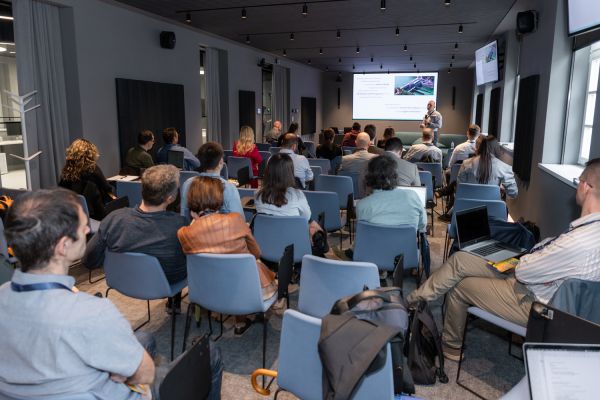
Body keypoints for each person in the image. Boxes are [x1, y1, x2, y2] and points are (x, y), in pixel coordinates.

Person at [0, 188, 223, 399]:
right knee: (210, 353)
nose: (88, 230)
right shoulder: (94, 312)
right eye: (82, 226)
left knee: (144, 338)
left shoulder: (3, 294)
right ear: (63, 246)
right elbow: (145, 374)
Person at [407, 158, 600, 361]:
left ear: (586, 186)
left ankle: (451, 347)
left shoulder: (577, 242)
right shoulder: (590, 231)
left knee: (461, 286)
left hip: (535, 301)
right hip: (537, 281)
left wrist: (524, 260)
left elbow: (525, 272)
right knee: (461, 259)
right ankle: (414, 301)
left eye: (579, 180)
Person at [177, 176, 277, 335]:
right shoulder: (235, 220)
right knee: (252, 266)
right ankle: (241, 320)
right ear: (219, 198)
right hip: (244, 290)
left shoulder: (184, 233)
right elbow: (256, 253)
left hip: (207, 291)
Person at [83, 165, 187, 313]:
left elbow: (89, 259)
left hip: (120, 281)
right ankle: (174, 306)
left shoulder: (114, 218)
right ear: (171, 198)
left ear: (142, 189)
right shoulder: (180, 225)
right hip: (165, 285)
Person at [333, 155, 426, 260]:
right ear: (395, 175)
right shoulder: (413, 196)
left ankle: (351, 253)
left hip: (373, 256)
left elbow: (365, 235)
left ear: (369, 177)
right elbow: (422, 226)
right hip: (407, 257)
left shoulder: (362, 205)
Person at [255, 153, 322, 238]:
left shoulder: (258, 195)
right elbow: (307, 217)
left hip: (266, 239)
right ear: (290, 172)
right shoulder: (297, 195)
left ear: (268, 171)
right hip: (293, 240)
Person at [181, 142, 244, 218]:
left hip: (194, 225)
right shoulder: (229, 188)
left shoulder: (187, 184)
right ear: (221, 162)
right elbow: (239, 219)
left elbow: (184, 216)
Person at [59, 138, 116, 220]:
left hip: (73, 212)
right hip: (96, 214)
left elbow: (61, 191)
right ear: (90, 154)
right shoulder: (93, 169)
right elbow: (107, 188)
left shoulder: (67, 171)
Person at [457, 134, 518, 198]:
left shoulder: (466, 163)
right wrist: (498, 189)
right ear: (496, 148)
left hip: (467, 203)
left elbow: (460, 187)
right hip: (492, 204)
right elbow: (513, 193)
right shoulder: (505, 168)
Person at [338, 132, 377, 197]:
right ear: (369, 143)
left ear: (355, 142)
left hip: (348, 197)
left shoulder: (344, 160)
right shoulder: (376, 159)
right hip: (368, 197)